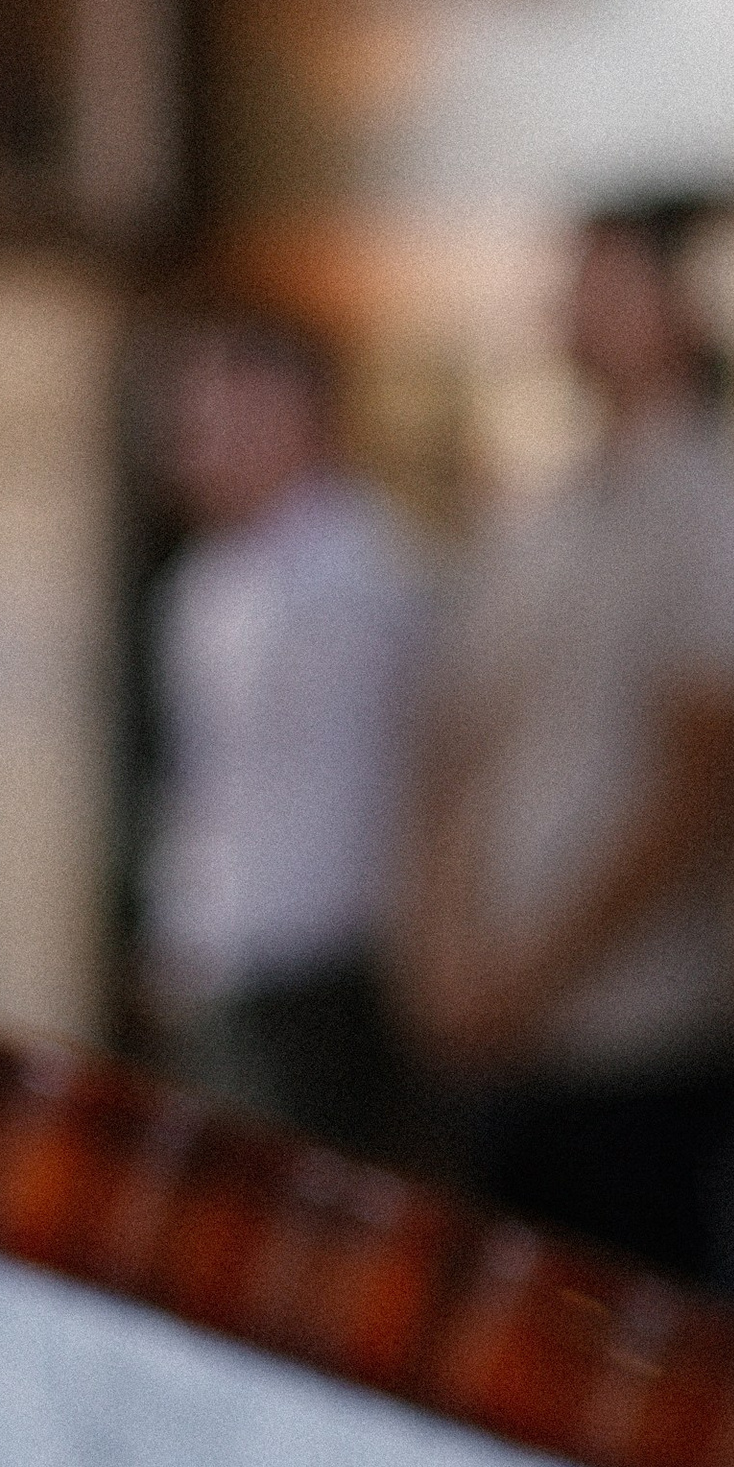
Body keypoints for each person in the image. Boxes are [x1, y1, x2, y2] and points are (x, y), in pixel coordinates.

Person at [397, 208, 734, 1287]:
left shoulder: (721, 504)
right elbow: (464, 748)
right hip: (503, 1015)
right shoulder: (541, 511)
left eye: (610, 284)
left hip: (639, 1029)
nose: (578, 310)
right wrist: (443, 948)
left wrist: (535, 977)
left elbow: (698, 781)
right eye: (573, 284)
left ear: (682, 311)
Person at [139, 311, 431, 1160]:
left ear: (292, 414)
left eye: (218, 415)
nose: (193, 443)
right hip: (220, 961)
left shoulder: (367, 573)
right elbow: (207, 785)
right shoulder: (201, 585)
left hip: (320, 971)